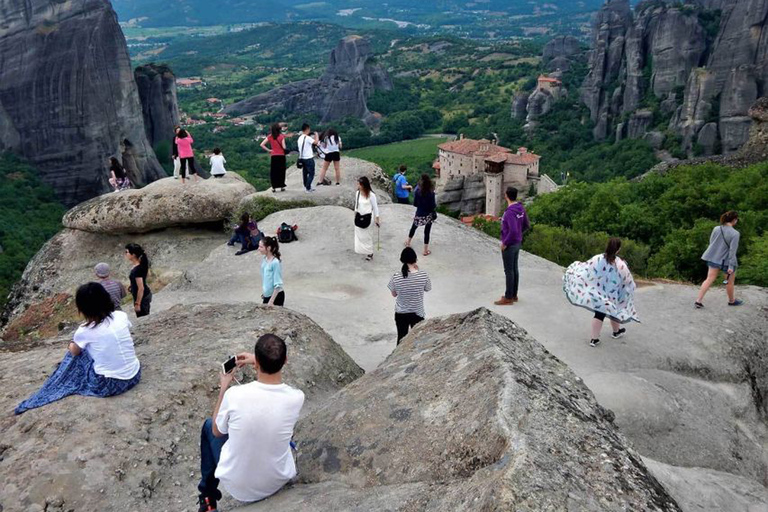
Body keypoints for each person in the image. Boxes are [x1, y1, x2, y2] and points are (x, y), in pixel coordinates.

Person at [196, 334, 304, 512]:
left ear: (257, 365)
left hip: (240, 488)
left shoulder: (235, 395)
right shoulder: (297, 397)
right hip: (276, 480)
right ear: (285, 360)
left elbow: (217, 432)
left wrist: (224, 387)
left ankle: (207, 498)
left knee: (209, 425)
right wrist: (259, 359)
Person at [15, 283, 141, 414]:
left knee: (76, 352)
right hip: (135, 374)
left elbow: (74, 352)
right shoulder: (121, 315)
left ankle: (60, 379)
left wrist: (70, 344)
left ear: (83, 308)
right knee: (92, 346)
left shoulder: (85, 330)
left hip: (110, 385)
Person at [563, 238, 639, 347]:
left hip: (598, 293)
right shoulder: (621, 264)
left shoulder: (598, 258)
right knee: (612, 310)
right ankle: (595, 339)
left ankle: (613, 332)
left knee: (601, 313)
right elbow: (627, 281)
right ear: (618, 249)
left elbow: (587, 269)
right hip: (611, 295)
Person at [695, 211, 743, 308]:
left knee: (709, 279)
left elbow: (711, 242)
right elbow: (732, 251)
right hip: (726, 262)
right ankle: (731, 301)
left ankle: (698, 301)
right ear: (734, 220)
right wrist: (731, 266)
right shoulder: (735, 234)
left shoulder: (716, 228)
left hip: (713, 258)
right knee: (728, 282)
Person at [388, 247, 432, 344]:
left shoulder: (396, 276)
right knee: (417, 340)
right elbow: (428, 288)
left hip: (401, 313)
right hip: (417, 313)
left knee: (401, 339)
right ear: (415, 259)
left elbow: (394, 294)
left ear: (402, 260)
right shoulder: (423, 275)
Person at [494, 187, 530, 306]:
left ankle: (508, 297)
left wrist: (505, 243)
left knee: (509, 271)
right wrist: (519, 235)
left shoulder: (509, 212)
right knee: (514, 269)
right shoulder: (520, 208)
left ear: (506, 196)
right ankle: (514, 295)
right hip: (517, 243)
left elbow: (513, 230)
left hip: (510, 245)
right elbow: (526, 224)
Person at [405, 174, 437, 256]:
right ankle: (425, 251)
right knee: (427, 232)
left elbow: (415, 204)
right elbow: (433, 205)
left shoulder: (418, 192)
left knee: (414, 227)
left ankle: (408, 243)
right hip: (429, 214)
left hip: (419, 213)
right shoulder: (431, 193)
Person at [354, 176, 380, 261]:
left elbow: (375, 207)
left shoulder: (371, 195)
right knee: (359, 235)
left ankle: (370, 252)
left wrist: (377, 218)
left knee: (367, 236)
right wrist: (355, 213)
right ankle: (361, 250)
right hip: (359, 215)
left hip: (368, 216)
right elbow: (356, 204)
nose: (358, 185)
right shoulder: (357, 193)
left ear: (364, 185)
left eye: (359, 184)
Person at [125, 243, 152, 317]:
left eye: (127, 252)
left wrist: (137, 304)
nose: (126, 254)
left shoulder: (137, 269)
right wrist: (132, 285)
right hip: (142, 295)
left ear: (133, 254)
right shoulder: (140, 265)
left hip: (142, 297)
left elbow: (141, 288)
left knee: (143, 316)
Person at [260, 123, 287, 193]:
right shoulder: (281, 136)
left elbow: (262, 144)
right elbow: (284, 147)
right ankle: (281, 186)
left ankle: (274, 187)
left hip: (274, 156)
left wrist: (269, 150)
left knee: (274, 172)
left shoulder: (270, 136)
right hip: (281, 156)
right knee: (281, 171)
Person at [259, 237, 284, 307]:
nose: (259, 249)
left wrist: (271, 301)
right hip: (267, 295)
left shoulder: (275, 263)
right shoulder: (264, 260)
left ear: (268, 248)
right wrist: (265, 293)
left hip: (276, 296)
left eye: (261, 247)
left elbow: (278, 284)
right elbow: (266, 279)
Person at [297, 123, 318, 193]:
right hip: (308, 158)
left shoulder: (300, 138)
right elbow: (316, 143)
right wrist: (316, 135)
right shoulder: (308, 138)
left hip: (302, 158)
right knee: (311, 173)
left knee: (305, 173)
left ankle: (306, 186)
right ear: (307, 129)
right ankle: (308, 188)